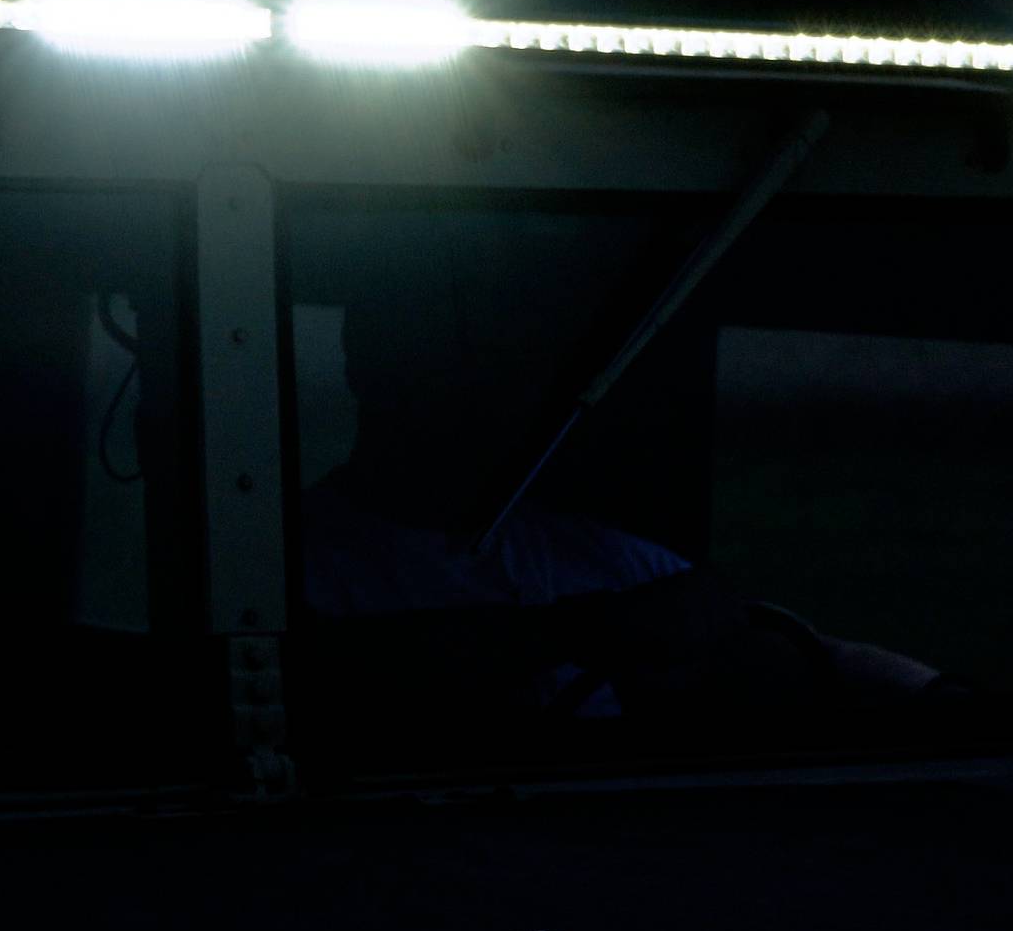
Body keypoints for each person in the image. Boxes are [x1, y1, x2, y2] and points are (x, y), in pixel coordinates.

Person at [301, 268, 939, 714]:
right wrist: (585, 632)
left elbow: (799, 657)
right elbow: (310, 681)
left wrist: (952, 705)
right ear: (367, 359)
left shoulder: (602, 562)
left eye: (493, 358)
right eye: (439, 352)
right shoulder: (284, 573)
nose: (473, 383)